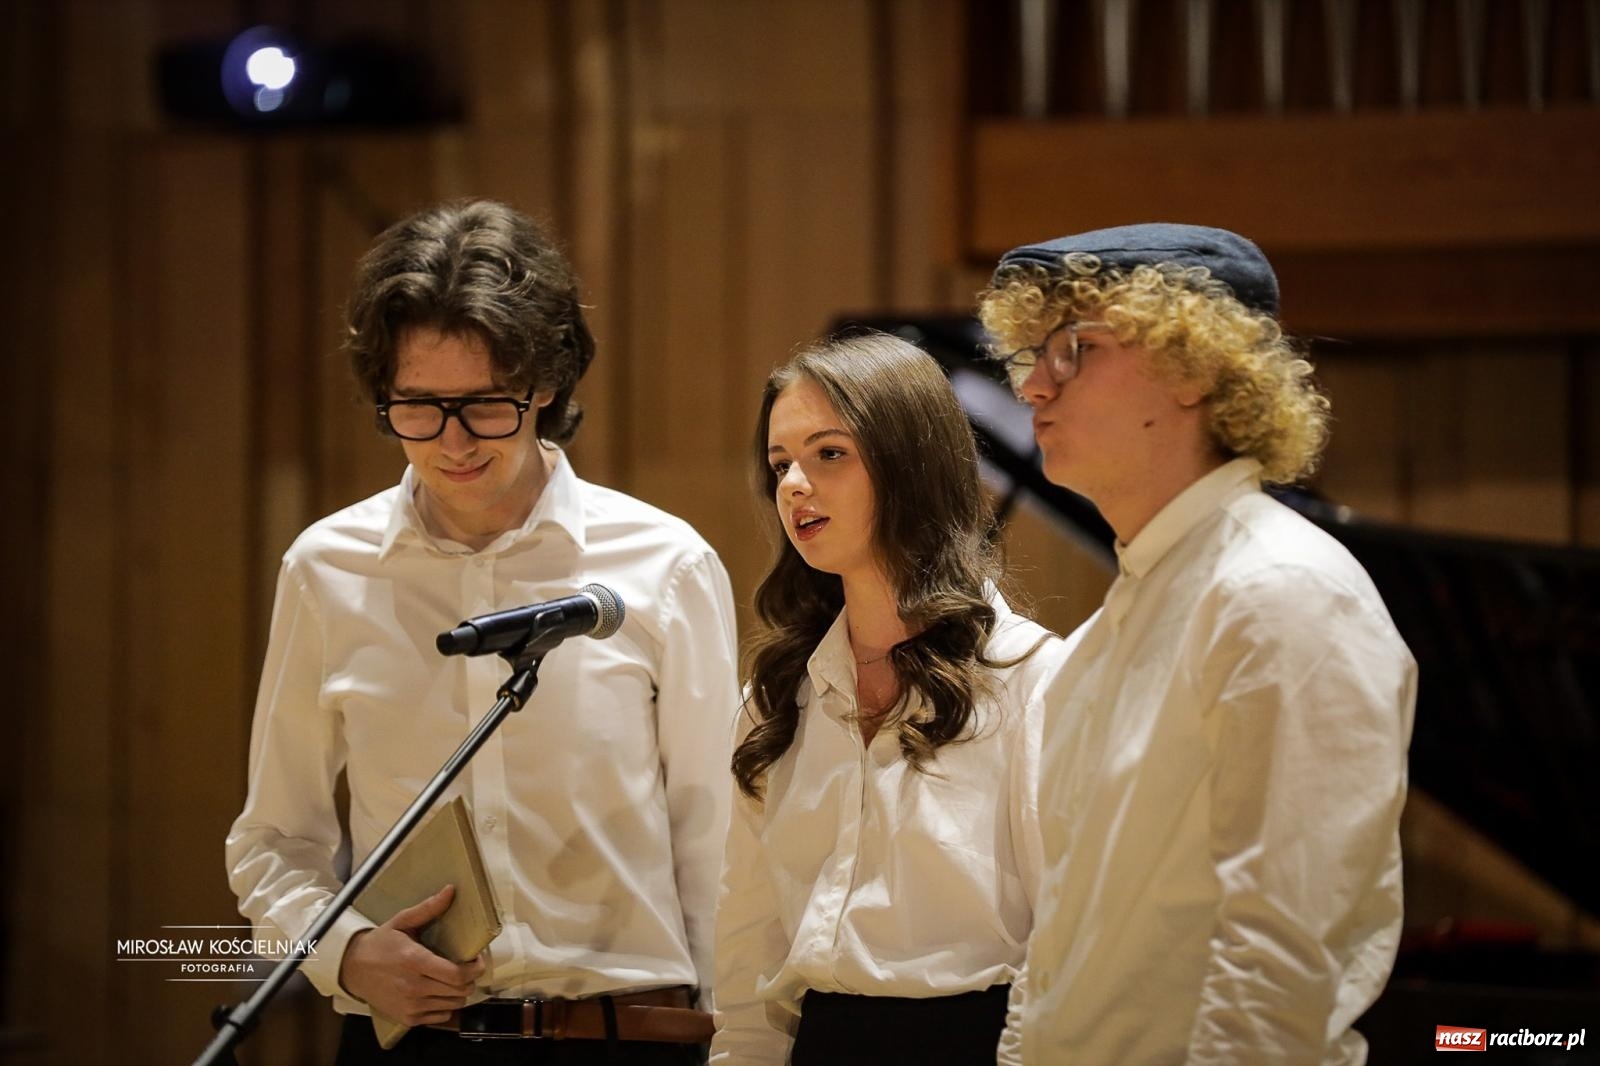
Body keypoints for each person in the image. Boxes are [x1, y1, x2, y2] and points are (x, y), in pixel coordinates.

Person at [226, 199, 739, 1064]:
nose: (452, 442)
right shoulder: (327, 569)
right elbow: (275, 841)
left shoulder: (664, 564)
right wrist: (343, 951)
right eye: (417, 406)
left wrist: (741, 1045)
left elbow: (719, 843)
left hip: (624, 1036)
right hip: (416, 1043)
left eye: (484, 405)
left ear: (544, 384)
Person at [980, 223, 1417, 1064]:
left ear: (1196, 367)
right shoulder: (1112, 628)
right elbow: (1065, 931)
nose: (1033, 386)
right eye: (1030, 354)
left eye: (1073, 350)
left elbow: (1281, 960)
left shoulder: (1282, 594)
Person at [711, 332, 1064, 1066]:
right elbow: (749, 961)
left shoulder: (1031, 676)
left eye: (828, 454)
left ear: (910, 464)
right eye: (781, 464)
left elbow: (1064, 946)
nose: (794, 485)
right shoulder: (775, 701)